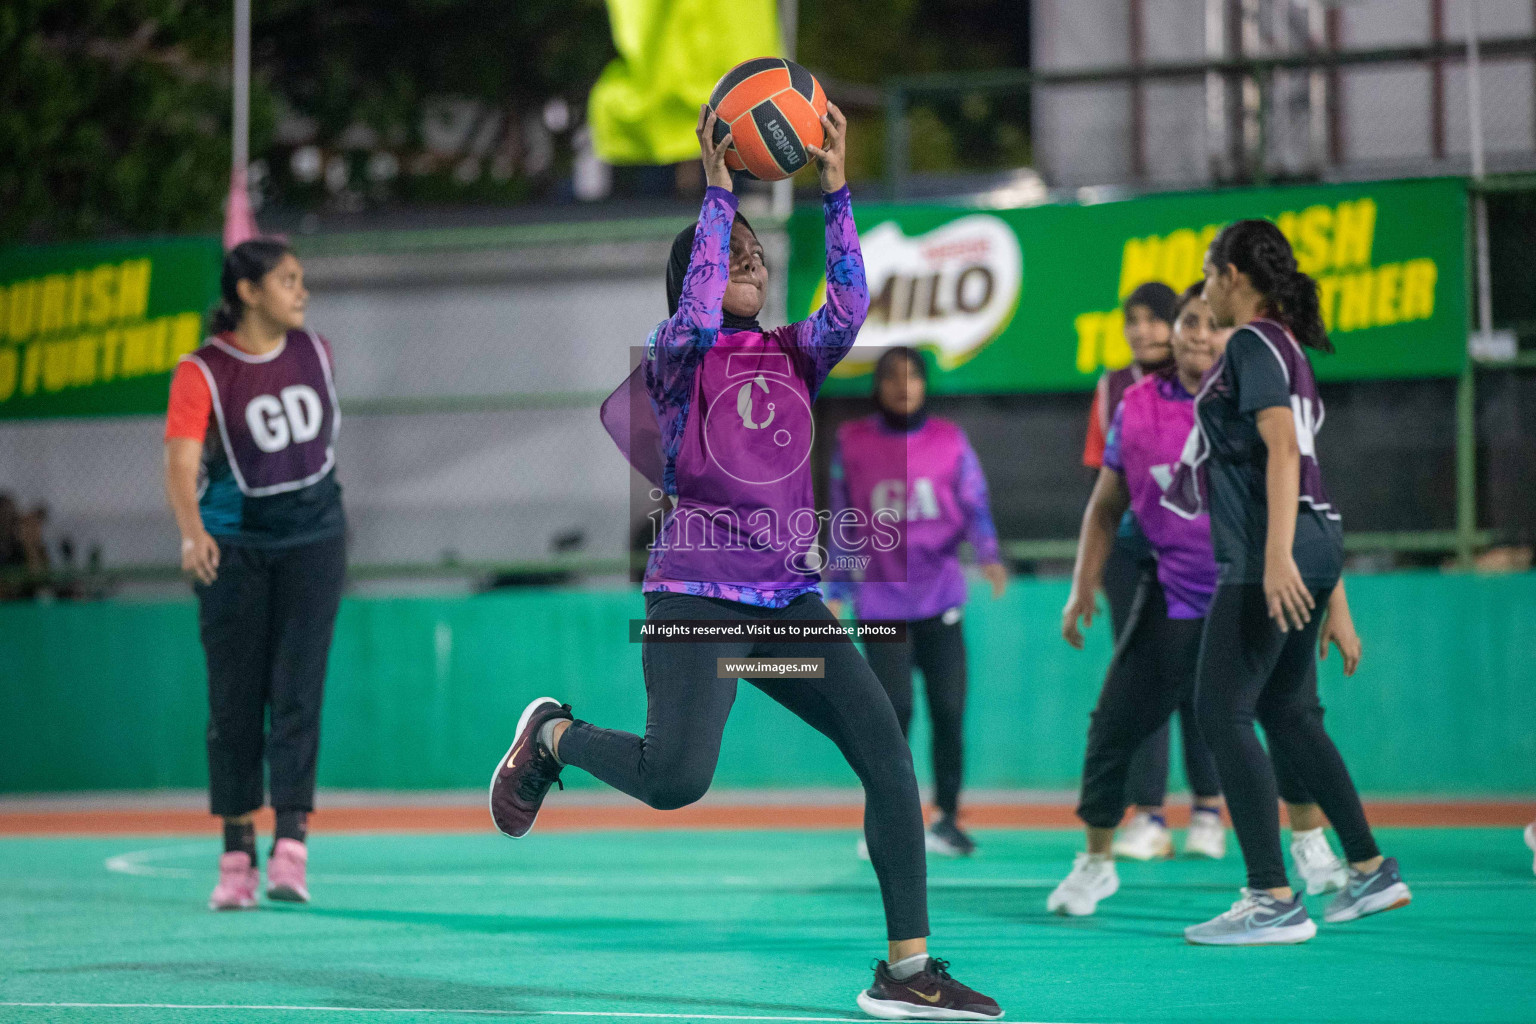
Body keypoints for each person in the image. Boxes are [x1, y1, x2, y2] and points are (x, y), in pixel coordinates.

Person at [488, 106, 1000, 1020]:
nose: (754, 264)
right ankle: (554, 736)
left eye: (760, 254)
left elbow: (849, 302)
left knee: (885, 751)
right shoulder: (678, 362)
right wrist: (719, 193)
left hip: (786, 612)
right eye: (735, 256)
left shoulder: (793, 354)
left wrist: (836, 186)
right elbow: (689, 306)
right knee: (676, 781)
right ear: (697, 278)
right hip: (697, 604)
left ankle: (909, 970)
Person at [1049, 283, 1347, 918]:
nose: (1199, 335)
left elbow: (1305, 504)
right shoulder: (1133, 404)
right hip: (1174, 592)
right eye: (1189, 323)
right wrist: (1082, 586)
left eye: (1213, 325)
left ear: (1231, 336)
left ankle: (1310, 843)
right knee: (1112, 727)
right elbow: (1105, 508)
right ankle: (1096, 862)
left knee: (1291, 720)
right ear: (1176, 332)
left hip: (1253, 592)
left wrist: (1336, 603)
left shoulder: (1256, 402)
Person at [1167, 219, 1410, 945]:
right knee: (1290, 711)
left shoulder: (1250, 341)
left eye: (1210, 272)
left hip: (1272, 552)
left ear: (1235, 274)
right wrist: (1331, 590)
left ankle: (1271, 897)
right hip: (1313, 545)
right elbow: (1309, 474)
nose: (1207, 286)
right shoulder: (1289, 347)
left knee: (1221, 713)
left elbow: (1280, 449)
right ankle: (1368, 867)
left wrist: (1275, 559)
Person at [163, 239, 347, 911]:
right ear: (247, 292)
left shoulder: (315, 353)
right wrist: (193, 531)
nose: (301, 291)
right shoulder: (205, 370)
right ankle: (236, 850)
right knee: (236, 705)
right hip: (235, 548)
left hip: (314, 540)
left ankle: (291, 844)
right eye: (287, 281)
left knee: (298, 692)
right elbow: (182, 461)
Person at [825, 346, 1007, 859]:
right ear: (876, 387)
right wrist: (837, 588)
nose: (903, 387)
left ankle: (947, 819)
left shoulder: (950, 440)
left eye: (912, 377)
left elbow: (974, 502)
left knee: (949, 711)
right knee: (892, 714)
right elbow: (844, 519)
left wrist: (989, 553)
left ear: (926, 384)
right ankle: (884, 820)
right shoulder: (852, 443)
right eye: (891, 378)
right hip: (882, 604)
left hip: (941, 600)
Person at [1079, 282, 1213, 861]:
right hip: (1135, 555)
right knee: (1141, 684)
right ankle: (1151, 815)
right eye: (1132, 320)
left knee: (1206, 683)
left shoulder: (1219, 384)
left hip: (1199, 553)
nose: (1143, 330)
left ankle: (1209, 808)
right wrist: (1087, 576)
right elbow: (1103, 492)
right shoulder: (1114, 390)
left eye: (1155, 319)